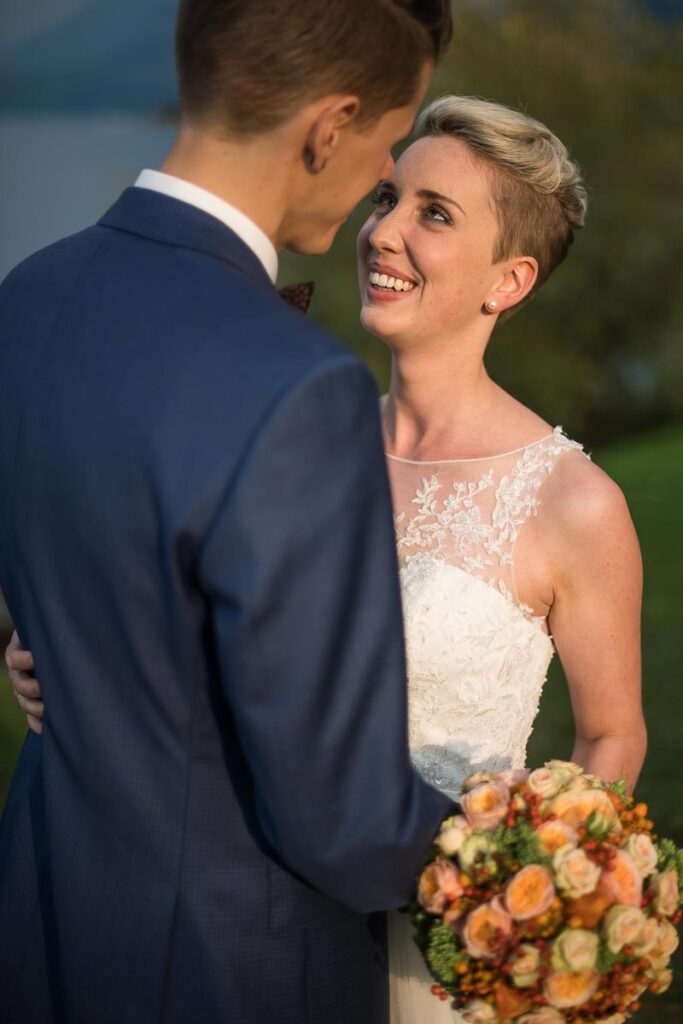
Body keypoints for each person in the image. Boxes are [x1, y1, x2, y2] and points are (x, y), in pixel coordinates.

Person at [9, 93, 648, 1022]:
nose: (382, 232)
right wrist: (41, 653)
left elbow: (611, 733)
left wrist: (549, 896)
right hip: (255, 918)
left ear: (506, 283)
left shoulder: (573, 503)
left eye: (433, 215)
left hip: (457, 940)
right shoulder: (295, 432)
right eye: (387, 197)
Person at [0, 3, 456, 1023]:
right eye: (391, 140)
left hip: (39, 921)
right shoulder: (298, 387)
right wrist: (535, 857)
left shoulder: (27, 296)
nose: (386, 174)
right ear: (329, 126)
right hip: (220, 969)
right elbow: (339, 815)